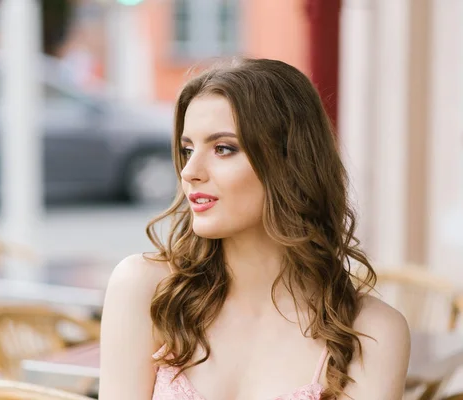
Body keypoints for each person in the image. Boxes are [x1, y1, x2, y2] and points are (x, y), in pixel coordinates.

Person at [99, 58, 410, 400]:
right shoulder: (146, 290)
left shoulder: (372, 332)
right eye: (188, 149)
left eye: (223, 149)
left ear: (289, 162)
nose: (190, 171)